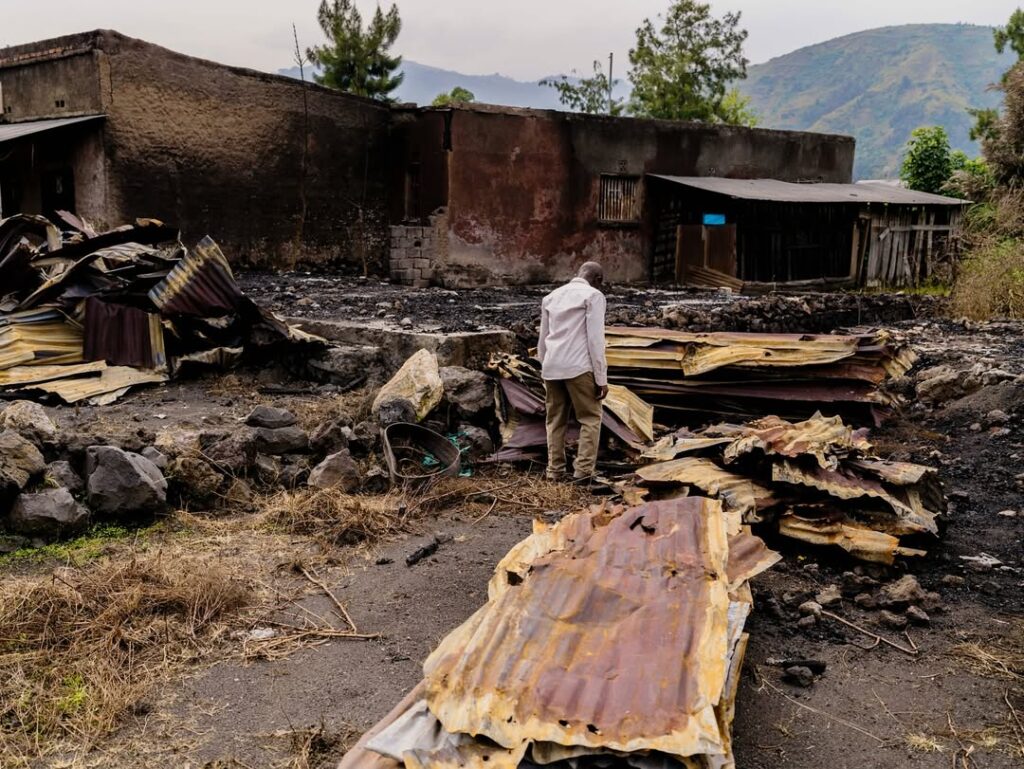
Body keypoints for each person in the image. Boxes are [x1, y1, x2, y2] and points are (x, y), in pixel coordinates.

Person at [536, 261, 608, 481]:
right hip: (579, 367)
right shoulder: (593, 296)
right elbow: (596, 340)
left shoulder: (551, 297)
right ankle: (583, 471)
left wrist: (544, 366)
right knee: (590, 418)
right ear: (597, 280)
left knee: (555, 420)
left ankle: (554, 470)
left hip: (552, 366)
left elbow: (543, 339)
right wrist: (601, 377)